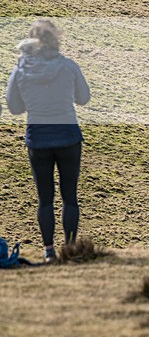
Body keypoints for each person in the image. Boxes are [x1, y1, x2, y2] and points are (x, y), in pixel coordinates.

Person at [6, 20, 91, 263]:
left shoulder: (20, 71)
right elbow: (83, 98)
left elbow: (14, 108)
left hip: (38, 138)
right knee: (69, 197)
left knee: (45, 199)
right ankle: (71, 248)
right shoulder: (68, 66)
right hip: (68, 137)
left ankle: (48, 251)